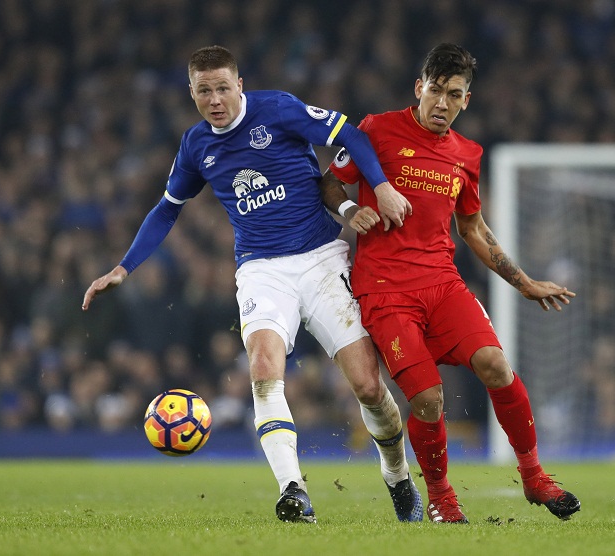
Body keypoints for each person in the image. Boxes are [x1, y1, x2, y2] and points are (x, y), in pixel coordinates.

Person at [82, 45, 423, 524]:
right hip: (262, 269)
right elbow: (167, 209)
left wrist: (381, 185)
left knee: (368, 385)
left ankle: (398, 478)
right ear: (192, 93)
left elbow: (349, 132)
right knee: (264, 372)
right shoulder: (196, 145)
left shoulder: (278, 109)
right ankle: (293, 490)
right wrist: (123, 267)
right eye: (205, 90)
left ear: (239, 85)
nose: (216, 99)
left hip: (322, 258)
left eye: (223, 87)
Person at [320, 43, 581, 522]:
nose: (442, 103)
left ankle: (534, 477)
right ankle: (441, 499)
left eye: (454, 94)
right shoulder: (375, 130)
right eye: (435, 90)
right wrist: (351, 209)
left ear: (467, 101)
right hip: (384, 291)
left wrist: (524, 283)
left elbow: (473, 230)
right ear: (419, 88)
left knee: (496, 366)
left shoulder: (467, 155)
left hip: (443, 283)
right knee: (427, 397)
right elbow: (328, 181)